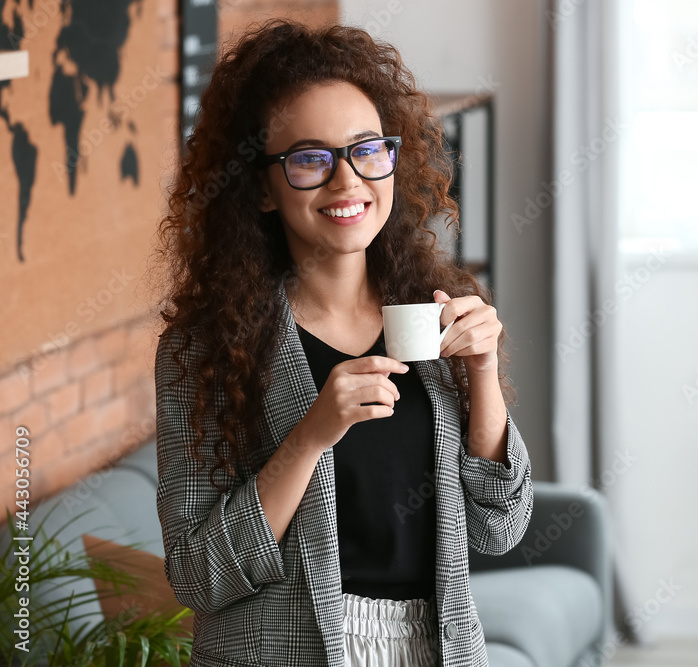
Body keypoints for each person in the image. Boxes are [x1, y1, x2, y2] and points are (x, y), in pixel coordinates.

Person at [151, 18, 533, 667]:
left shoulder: (431, 313)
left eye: (367, 149)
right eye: (309, 159)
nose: (348, 180)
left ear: (393, 157)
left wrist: (485, 370)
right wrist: (311, 434)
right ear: (263, 189)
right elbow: (198, 576)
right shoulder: (204, 347)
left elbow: (501, 525)